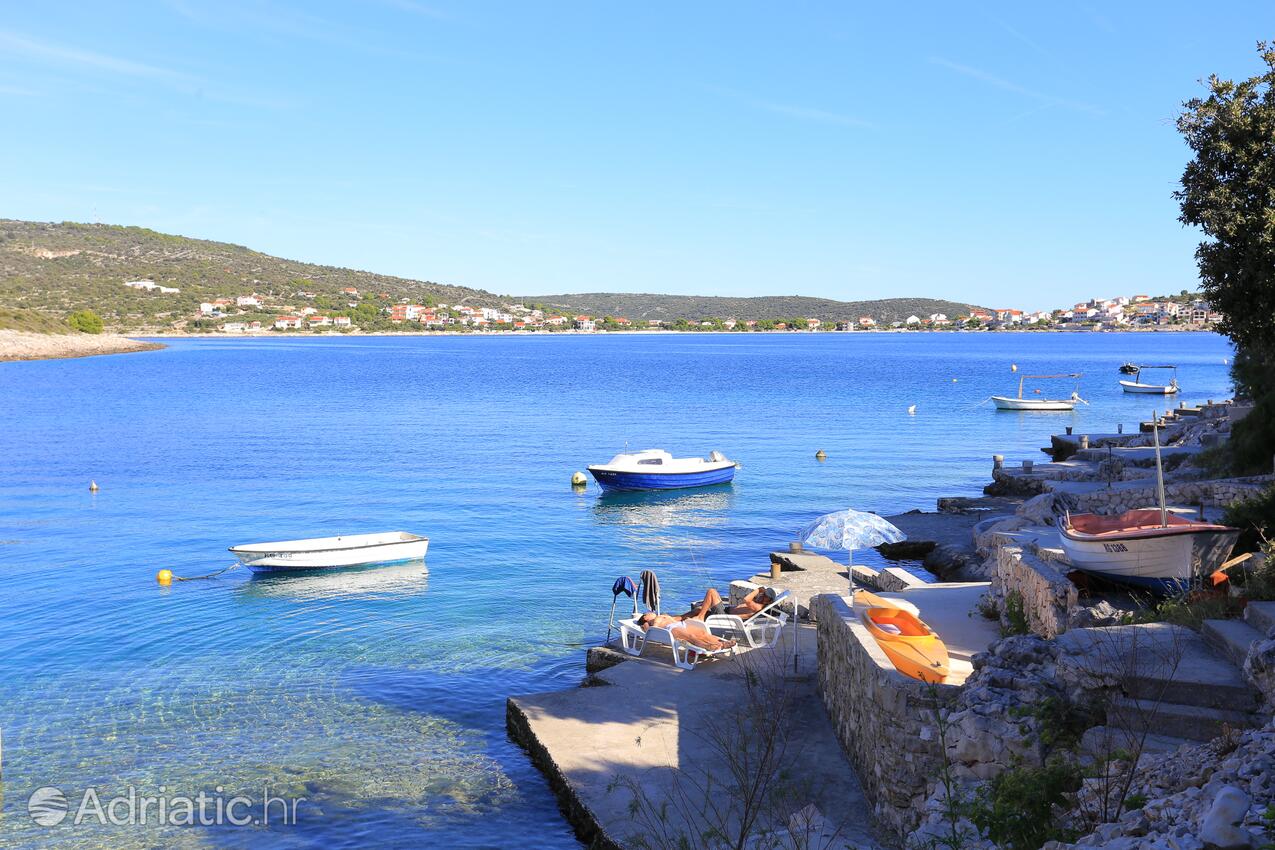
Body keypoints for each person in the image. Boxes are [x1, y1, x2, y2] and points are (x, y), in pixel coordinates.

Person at [634, 612, 737, 652]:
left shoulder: (662, 615)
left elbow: (678, 617)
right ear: (645, 617)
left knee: (702, 633)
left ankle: (722, 643)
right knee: (690, 636)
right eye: (647, 613)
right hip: (670, 629)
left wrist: (693, 613)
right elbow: (651, 631)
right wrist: (645, 625)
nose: (650, 612)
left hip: (681, 624)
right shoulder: (651, 622)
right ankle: (708, 646)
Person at [678, 586, 774, 622]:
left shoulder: (758, 607)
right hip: (724, 612)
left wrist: (758, 589)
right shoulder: (757, 603)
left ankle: (700, 618)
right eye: (763, 593)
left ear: (769, 601)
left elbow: (746, 599)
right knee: (698, 609)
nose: (763, 595)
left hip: (725, 618)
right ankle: (677, 619)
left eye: (765, 596)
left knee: (712, 591)